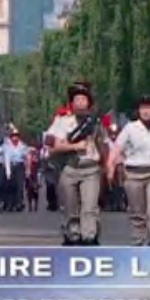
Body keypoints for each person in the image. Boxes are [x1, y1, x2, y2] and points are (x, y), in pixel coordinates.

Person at [46, 82, 106, 245]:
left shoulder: (95, 123)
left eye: (83, 99)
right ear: (72, 103)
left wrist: (107, 167)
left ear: (89, 103)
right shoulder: (62, 122)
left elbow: (103, 144)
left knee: (89, 207)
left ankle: (90, 236)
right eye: (77, 99)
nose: (80, 103)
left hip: (90, 169)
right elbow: (52, 146)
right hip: (69, 169)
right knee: (70, 207)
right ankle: (72, 235)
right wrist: (74, 146)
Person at [109, 96, 150, 246]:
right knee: (137, 212)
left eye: (149, 108)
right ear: (138, 111)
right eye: (143, 108)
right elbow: (117, 147)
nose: (146, 111)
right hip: (134, 174)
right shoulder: (130, 128)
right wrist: (110, 165)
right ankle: (138, 240)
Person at [4, 127, 30, 212]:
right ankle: (11, 204)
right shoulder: (7, 146)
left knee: (19, 185)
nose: (15, 138)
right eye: (13, 136)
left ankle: (19, 203)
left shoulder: (22, 146)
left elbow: (26, 158)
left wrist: (28, 169)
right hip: (11, 166)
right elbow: (7, 159)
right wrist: (8, 171)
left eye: (16, 136)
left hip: (19, 166)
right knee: (11, 186)